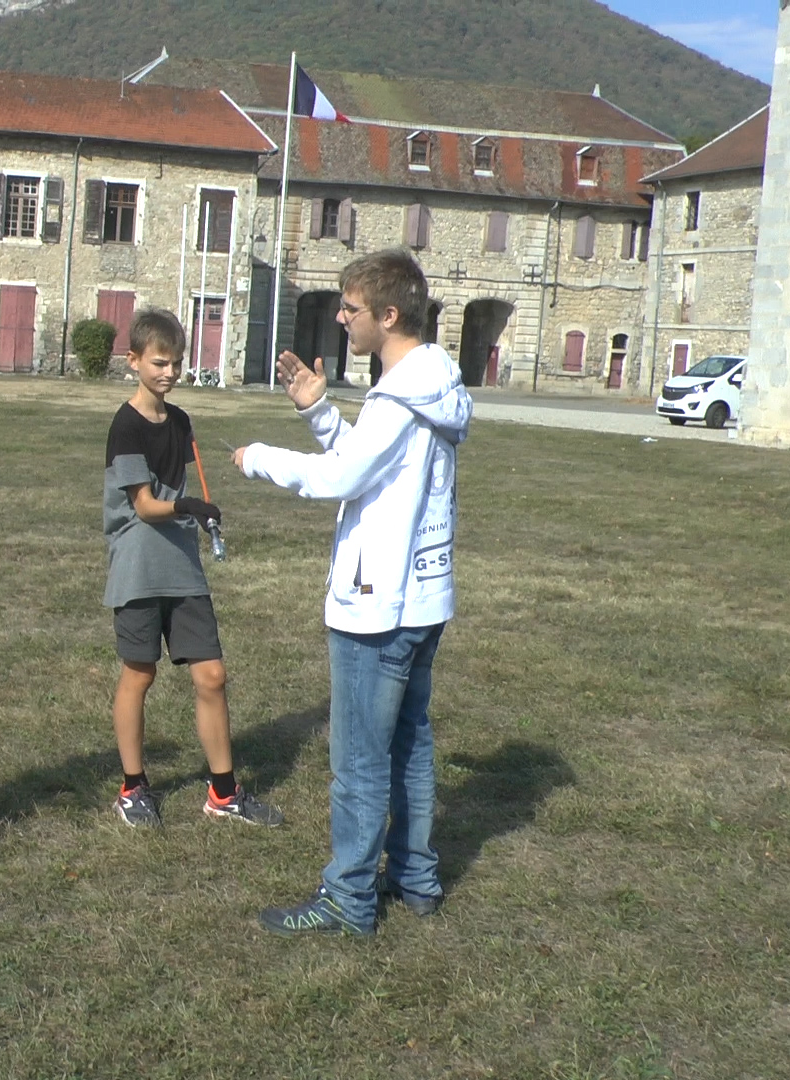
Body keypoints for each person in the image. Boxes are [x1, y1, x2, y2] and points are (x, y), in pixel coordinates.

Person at [232, 250, 472, 935]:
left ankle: (349, 897)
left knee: (361, 759)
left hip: (379, 606)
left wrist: (260, 458)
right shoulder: (427, 384)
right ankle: (416, 878)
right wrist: (319, 412)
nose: (341, 318)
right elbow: (371, 465)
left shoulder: (399, 395)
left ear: (389, 315)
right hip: (422, 599)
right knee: (409, 743)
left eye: (351, 308)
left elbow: (341, 479)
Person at [104, 308, 282, 829]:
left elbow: (180, 489)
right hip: (138, 565)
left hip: (181, 564)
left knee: (212, 674)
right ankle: (132, 788)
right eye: (159, 363)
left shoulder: (180, 422)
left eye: (177, 364)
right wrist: (187, 507)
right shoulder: (125, 426)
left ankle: (223, 793)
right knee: (140, 673)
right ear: (133, 361)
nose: (169, 373)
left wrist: (195, 513)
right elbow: (143, 505)